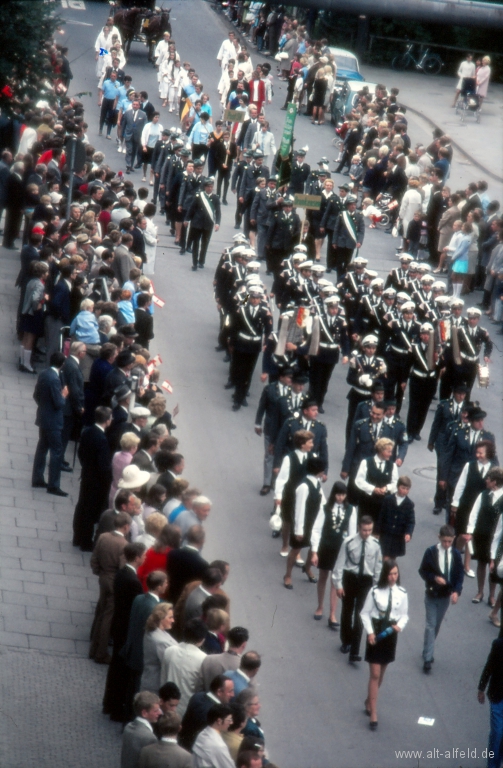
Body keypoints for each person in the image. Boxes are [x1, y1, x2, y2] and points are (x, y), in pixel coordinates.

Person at [360, 559, 408, 731]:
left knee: (381, 673)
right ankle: (374, 712)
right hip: (376, 633)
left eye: (396, 573)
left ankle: (369, 700)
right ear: (384, 575)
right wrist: (370, 632)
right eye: (390, 574)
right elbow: (365, 613)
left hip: (390, 635)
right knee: (374, 672)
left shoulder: (402, 593)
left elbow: (404, 615)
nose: (393, 577)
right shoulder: (375, 591)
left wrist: (399, 626)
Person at [333, 516, 383, 663]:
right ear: (358, 528)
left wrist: (376, 588)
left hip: (366, 582)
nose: (367, 533)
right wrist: (339, 584)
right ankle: (346, 640)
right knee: (347, 611)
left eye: (369, 530)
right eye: (364, 530)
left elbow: (378, 568)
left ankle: (354, 651)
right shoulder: (349, 542)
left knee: (361, 615)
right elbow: (340, 564)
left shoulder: (375, 545)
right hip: (350, 578)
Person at [311, 481, 357, 629]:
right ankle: (320, 606)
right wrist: (314, 551)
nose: (340, 498)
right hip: (325, 548)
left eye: (343, 495)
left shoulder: (351, 510)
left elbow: (352, 534)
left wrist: (350, 553)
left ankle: (332, 613)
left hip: (340, 550)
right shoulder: (325, 508)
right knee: (323, 576)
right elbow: (316, 530)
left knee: (336, 580)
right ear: (333, 494)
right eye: (338, 494)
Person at [419, 525, 464, 673]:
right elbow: (423, 570)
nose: (446, 544)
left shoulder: (456, 555)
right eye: (444, 541)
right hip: (432, 594)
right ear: (439, 538)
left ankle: (427, 648)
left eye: (449, 541)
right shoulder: (431, 552)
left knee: (436, 625)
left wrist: (456, 591)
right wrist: (434, 578)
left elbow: (459, 576)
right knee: (430, 625)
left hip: (445, 596)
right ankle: (427, 658)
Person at [90, 511, 131, 665]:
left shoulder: (103, 537)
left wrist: (99, 572)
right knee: (108, 617)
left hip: (103, 578)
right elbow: (122, 567)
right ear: (126, 526)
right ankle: (100, 653)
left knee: (100, 612)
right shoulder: (124, 545)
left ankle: (93, 649)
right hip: (114, 581)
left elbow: (94, 558)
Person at [451, 440, 497, 576]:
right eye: (476, 452)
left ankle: (466, 565)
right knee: (462, 535)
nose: (478, 455)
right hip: (466, 505)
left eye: (480, 453)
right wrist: (455, 503)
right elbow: (461, 484)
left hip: (482, 509)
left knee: (471, 536)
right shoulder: (469, 466)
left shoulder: (494, 468)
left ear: (488, 453)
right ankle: (455, 557)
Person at [72, 406, 113, 551]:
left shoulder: (87, 431)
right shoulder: (101, 439)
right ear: (107, 421)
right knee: (90, 510)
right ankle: (85, 541)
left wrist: (86, 467)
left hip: (86, 475)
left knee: (82, 505)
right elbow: (103, 465)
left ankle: (77, 537)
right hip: (96, 481)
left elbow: (81, 452)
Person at [283, 456, 326, 590]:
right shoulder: (304, 486)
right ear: (318, 470)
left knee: (313, 547)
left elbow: (323, 501)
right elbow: (299, 510)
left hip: (313, 523)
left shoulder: (317, 484)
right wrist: (299, 530)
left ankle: (307, 568)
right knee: (295, 550)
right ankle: (288, 575)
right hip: (303, 524)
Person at [31, 351, 69, 497]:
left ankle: (38, 478)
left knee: (42, 448)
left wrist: (43, 407)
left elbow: (36, 395)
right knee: (56, 452)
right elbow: (58, 403)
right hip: (53, 421)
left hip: (43, 417)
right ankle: (53, 485)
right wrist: (64, 395)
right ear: (62, 364)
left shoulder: (44, 374)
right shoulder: (54, 379)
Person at [466, 467, 503, 608]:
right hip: (481, 534)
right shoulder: (483, 495)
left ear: (494, 482)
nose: (486, 480)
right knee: (481, 563)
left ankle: (492, 596)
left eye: (488, 478)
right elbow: (474, 513)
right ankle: (480, 592)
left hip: (497, 539)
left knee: (493, 567)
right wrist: (470, 531)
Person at [160, 618, 207, 716]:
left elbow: (163, 679)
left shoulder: (169, 651)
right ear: (202, 639)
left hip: (166, 706)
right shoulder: (203, 658)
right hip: (188, 709)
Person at [179, 675, 235, 751]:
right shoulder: (213, 712)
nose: (233, 695)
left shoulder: (197, 696)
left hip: (182, 743)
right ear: (219, 692)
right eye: (230, 691)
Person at [355, 438, 399, 524]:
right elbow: (359, 480)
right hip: (367, 504)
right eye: (388, 451)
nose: (391, 454)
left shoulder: (393, 466)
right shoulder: (366, 462)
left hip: (383, 505)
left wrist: (387, 488)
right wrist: (373, 489)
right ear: (381, 450)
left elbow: (395, 483)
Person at [140, 603, 178, 694]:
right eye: (170, 617)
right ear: (161, 618)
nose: (173, 620)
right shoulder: (160, 641)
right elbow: (171, 664)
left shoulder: (154, 631)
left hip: (149, 680)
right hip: (156, 686)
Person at [477, 636, 503, 768]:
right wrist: (481, 688)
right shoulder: (499, 645)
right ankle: (493, 764)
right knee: (497, 732)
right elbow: (489, 666)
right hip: (498, 696)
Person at [375, 476, 415, 559]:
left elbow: (411, 521)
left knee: (393, 558)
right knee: (384, 557)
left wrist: (408, 533)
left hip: (398, 537)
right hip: (386, 534)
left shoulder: (409, 504)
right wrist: (377, 532)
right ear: (397, 486)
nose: (405, 491)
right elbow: (381, 516)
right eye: (403, 488)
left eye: (407, 489)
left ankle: (389, 570)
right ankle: (384, 570)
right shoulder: (388, 499)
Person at [120, 691, 162, 768]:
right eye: (156, 711)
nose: (160, 713)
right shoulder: (150, 738)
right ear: (144, 713)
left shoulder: (128, 727)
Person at [201, 626, 249, 691]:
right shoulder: (243, 666)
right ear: (244, 644)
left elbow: (200, 685)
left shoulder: (208, 659)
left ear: (228, 641)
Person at [192, 704, 235, 768]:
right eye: (229, 720)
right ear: (219, 721)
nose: (231, 722)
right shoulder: (219, 746)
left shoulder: (202, 734)